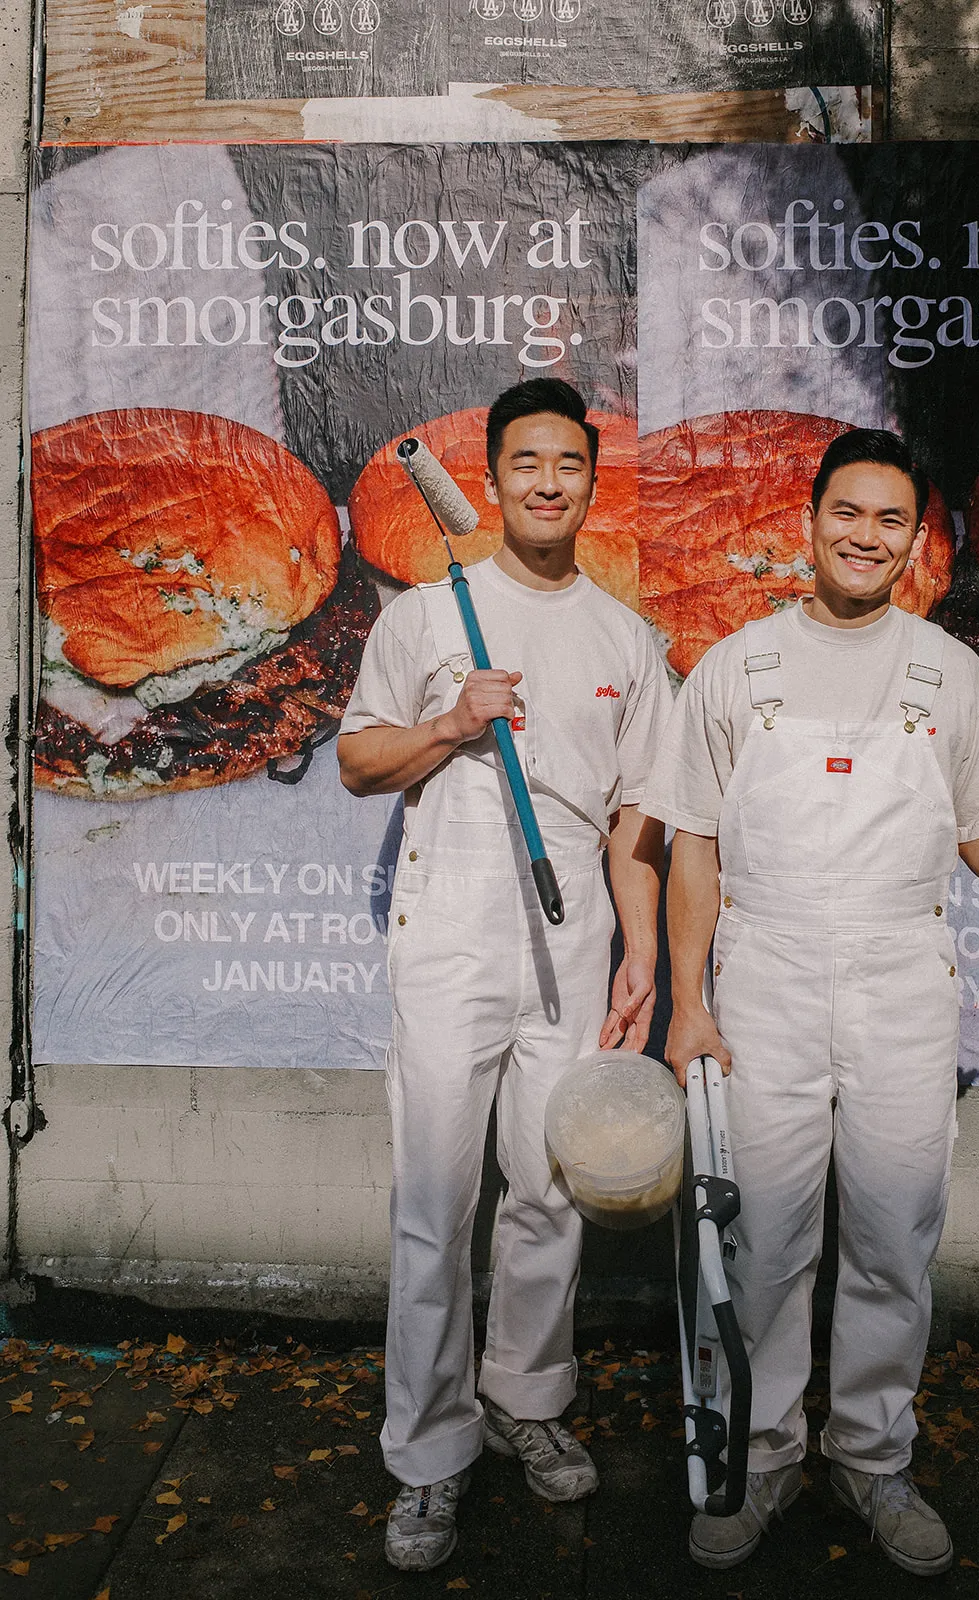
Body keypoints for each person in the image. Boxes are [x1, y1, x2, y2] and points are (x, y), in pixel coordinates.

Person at [641, 428, 979, 1578]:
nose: (864, 536)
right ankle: (762, 1455)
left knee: (892, 1233)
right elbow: (691, 845)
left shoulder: (948, 673)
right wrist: (687, 1002)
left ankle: (870, 1456)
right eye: (847, 513)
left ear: (916, 541)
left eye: (889, 521)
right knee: (762, 1238)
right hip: (763, 975)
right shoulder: (734, 667)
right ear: (808, 522)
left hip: (902, 978)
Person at [338, 379, 670, 1573]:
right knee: (436, 1203)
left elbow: (637, 819)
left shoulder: (625, 638)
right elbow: (357, 761)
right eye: (525, 461)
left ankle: (525, 1397)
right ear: (488, 479)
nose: (546, 481)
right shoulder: (429, 617)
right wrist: (448, 726)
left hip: (571, 940)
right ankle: (429, 1451)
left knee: (548, 1188)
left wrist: (641, 949)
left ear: (591, 482)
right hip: (448, 932)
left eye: (567, 463)